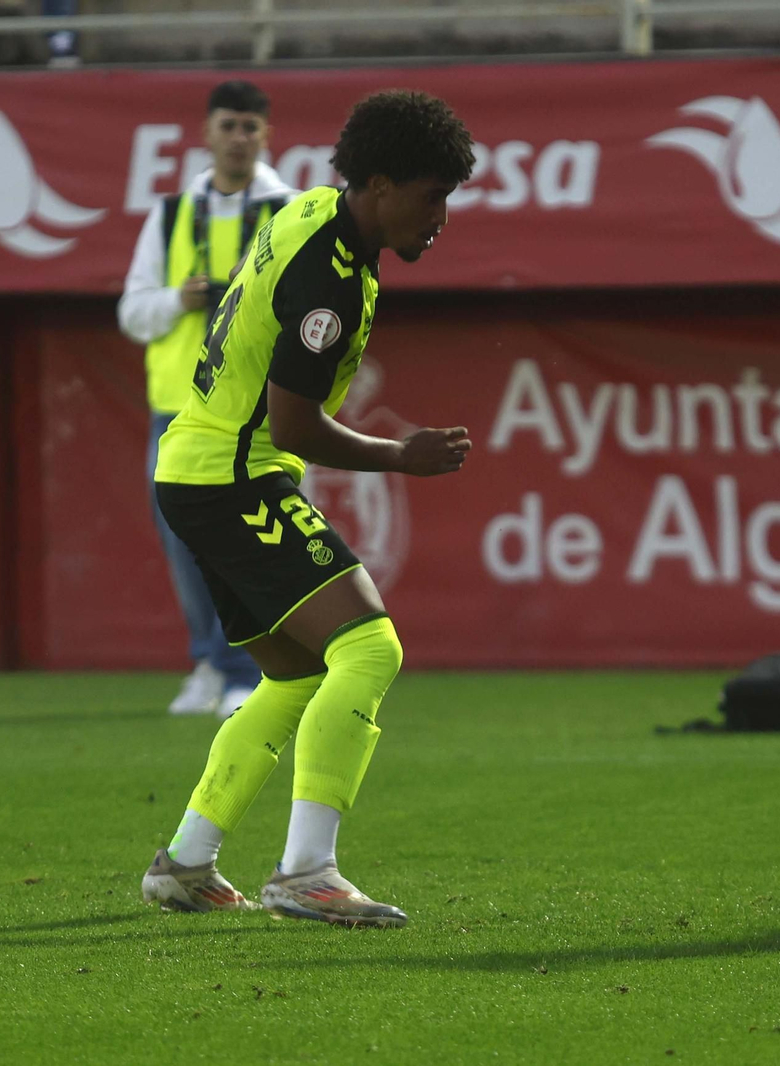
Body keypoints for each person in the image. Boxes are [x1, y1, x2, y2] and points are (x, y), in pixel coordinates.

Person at [139, 90, 476, 925]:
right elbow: (293, 423)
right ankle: (306, 872)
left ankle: (185, 862)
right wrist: (402, 455)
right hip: (234, 474)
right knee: (369, 649)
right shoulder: (330, 275)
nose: (440, 217)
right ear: (382, 185)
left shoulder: (312, 211)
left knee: (294, 677)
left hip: (196, 465)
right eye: (433, 196)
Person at [120, 80, 293, 717]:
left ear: (266, 135)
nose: (240, 138)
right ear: (207, 133)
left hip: (255, 409)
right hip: (176, 407)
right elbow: (132, 311)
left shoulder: (289, 211)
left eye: (251, 127)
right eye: (229, 125)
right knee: (181, 541)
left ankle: (250, 669)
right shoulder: (168, 215)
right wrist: (178, 300)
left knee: (248, 541)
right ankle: (208, 664)